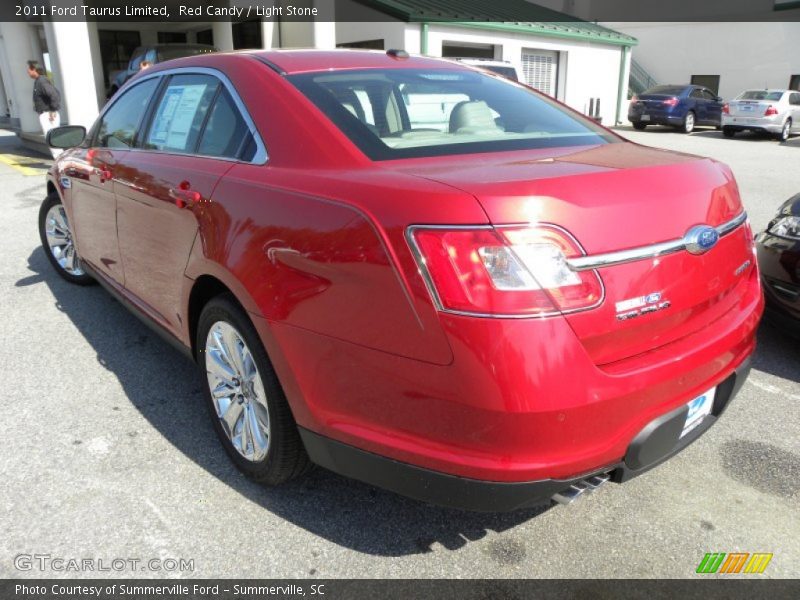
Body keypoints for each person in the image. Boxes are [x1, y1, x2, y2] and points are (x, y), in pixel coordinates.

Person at [27, 61, 62, 158]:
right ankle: (60, 160)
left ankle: (60, 160)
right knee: (52, 139)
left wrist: (53, 110)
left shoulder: (41, 81)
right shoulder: (39, 81)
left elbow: (54, 95)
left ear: (34, 69)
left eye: (29, 70)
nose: (28, 72)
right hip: (47, 114)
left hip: (48, 115)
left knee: (51, 139)